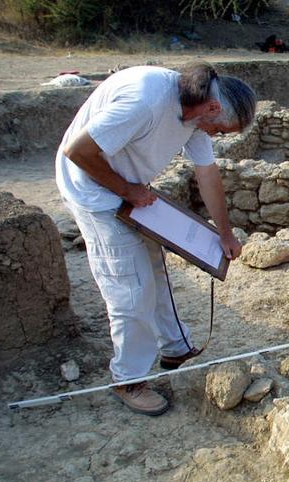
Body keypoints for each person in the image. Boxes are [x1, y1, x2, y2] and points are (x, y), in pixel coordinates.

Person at [56, 62, 256, 416]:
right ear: (213, 108)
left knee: (153, 266)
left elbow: (207, 174)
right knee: (130, 287)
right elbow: (78, 151)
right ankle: (127, 380)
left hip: (130, 189)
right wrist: (126, 189)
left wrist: (224, 234)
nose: (217, 136)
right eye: (222, 130)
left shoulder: (196, 117)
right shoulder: (147, 101)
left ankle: (175, 347)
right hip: (92, 189)